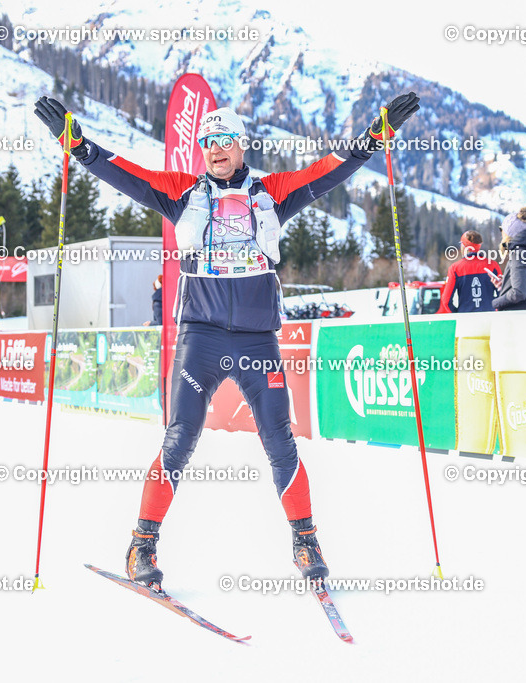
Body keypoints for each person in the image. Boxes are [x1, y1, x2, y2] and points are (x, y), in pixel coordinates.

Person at [35, 91, 421, 587]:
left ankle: (305, 542)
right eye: (206, 142)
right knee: (179, 440)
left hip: (259, 342)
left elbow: (327, 171)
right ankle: (141, 545)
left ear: (241, 144)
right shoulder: (181, 190)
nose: (214, 150)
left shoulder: (273, 191)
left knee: (280, 441)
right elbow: (126, 174)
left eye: (223, 141)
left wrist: (372, 139)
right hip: (202, 339)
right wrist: (79, 146)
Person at [492, 207, 526, 311]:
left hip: (517, 317)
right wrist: (506, 283)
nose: (501, 233)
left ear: (509, 233)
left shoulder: (518, 254)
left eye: (502, 229)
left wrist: (496, 302)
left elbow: (519, 292)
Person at [437, 231, 501, 313]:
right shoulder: (493, 265)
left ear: (463, 246)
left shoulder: (455, 268)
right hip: (489, 317)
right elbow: (502, 294)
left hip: (466, 318)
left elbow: (446, 300)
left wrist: (457, 313)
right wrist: (494, 310)